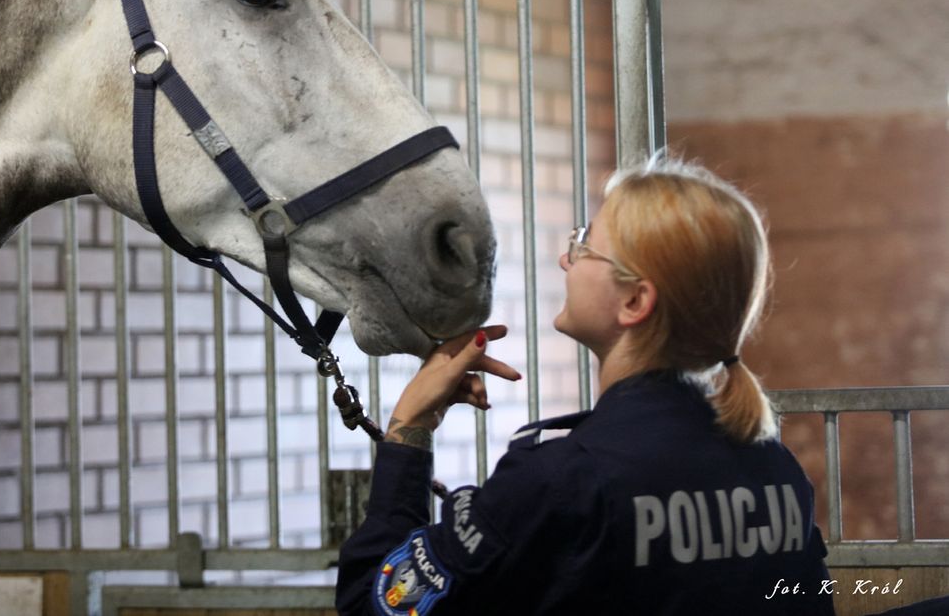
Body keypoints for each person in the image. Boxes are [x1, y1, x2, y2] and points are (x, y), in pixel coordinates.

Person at [336, 156, 836, 615]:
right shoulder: (776, 470)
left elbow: (372, 604)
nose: (566, 260)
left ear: (635, 302)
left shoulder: (561, 479)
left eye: (584, 245)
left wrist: (410, 428)